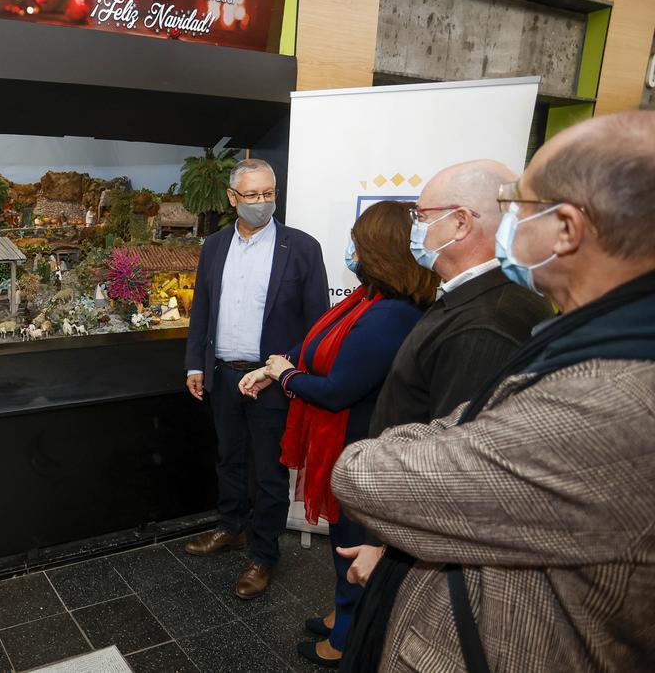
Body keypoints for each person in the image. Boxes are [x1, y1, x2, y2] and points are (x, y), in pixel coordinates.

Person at [331, 110, 655, 672]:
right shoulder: (593, 340)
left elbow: (364, 473)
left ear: (567, 230)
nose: (508, 221)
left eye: (520, 206)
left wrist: (436, 443)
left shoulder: (606, 402)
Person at [333, 160, 553, 670]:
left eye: (420, 214)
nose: (412, 226)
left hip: (417, 546)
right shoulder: (465, 300)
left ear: (459, 223)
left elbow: (455, 464)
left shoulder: (488, 322)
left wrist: (387, 545)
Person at [238, 200, 438, 668]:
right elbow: (315, 345)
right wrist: (274, 368)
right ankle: (342, 613)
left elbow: (334, 391)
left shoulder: (394, 314)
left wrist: (284, 377)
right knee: (345, 544)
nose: (351, 250)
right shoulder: (367, 298)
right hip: (343, 444)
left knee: (352, 544)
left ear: (379, 248)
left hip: (360, 448)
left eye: (359, 240)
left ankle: (348, 636)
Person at [182, 158, 329, 600]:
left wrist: (277, 369)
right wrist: (195, 365)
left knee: (268, 473)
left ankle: (263, 555)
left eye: (269, 194)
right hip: (223, 376)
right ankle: (231, 528)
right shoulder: (213, 246)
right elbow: (202, 310)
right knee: (229, 459)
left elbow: (317, 326)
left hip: (271, 381)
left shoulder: (301, 248)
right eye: (252, 195)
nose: (262, 203)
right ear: (233, 198)